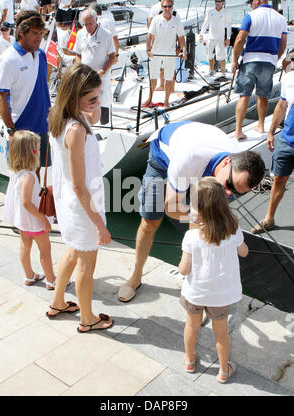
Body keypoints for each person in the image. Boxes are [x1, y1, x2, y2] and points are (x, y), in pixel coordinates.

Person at [117, 121, 265, 302]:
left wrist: (204, 220)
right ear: (227, 162)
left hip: (200, 158)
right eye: (230, 186)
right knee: (150, 222)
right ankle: (136, 276)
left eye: (236, 192)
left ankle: (197, 289)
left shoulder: (230, 169)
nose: (228, 194)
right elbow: (171, 207)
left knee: (201, 229)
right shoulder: (189, 159)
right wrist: (205, 218)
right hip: (164, 158)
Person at [46, 63, 113, 332]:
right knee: (87, 262)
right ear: (75, 97)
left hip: (71, 203)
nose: (97, 102)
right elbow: (79, 186)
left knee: (73, 252)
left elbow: (93, 118)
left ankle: (58, 301)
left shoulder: (61, 117)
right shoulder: (75, 130)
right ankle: (88, 319)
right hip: (82, 205)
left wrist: (94, 101)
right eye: (92, 98)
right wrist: (99, 224)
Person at [179, 177, 249, 382]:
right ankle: (224, 371)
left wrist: (181, 262)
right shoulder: (233, 229)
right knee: (221, 334)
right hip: (221, 296)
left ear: (200, 210)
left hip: (196, 293)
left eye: (192, 206)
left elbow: (184, 270)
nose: (190, 210)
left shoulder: (191, 237)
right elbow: (244, 252)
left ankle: (190, 361)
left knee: (191, 325)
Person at [0, 10, 51, 173]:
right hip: (20, 130)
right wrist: (12, 131)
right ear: (21, 33)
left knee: (37, 174)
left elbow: (42, 88)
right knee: (20, 179)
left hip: (41, 128)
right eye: (35, 33)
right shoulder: (8, 59)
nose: (39, 37)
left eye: (41, 33)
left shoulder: (41, 55)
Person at [3, 130, 56, 289]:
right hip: (34, 221)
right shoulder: (30, 176)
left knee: (25, 247)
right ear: (31, 152)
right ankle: (51, 280)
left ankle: (29, 276)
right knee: (45, 250)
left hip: (21, 220)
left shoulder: (15, 171)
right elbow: (27, 202)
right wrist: (43, 219)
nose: (40, 152)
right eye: (39, 149)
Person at [231, 0, 287, 140]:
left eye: (252, 2)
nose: (251, 5)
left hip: (250, 61)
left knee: (244, 95)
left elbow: (239, 40)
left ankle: (238, 130)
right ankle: (261, 125)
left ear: (258, 1)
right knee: (263, 96)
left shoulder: (251, 15)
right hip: (268, 62)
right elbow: (283, 44)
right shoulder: (281, 18)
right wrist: (275, 59)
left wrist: (234, 60)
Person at [251, 51, 294, 234]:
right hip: (287, 139)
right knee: (278, 179)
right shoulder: (289, 78)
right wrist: (271, 132)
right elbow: (282, 105)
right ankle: (269, 219)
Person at [74, 8, 117, 125]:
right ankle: (88, 128)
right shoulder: (80, 34)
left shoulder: (106, 35)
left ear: (96, 20)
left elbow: (113, 57)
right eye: (85, 24)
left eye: (90, 23)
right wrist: (80, 70)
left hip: (101, 77)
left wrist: (101, 72)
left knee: (103, 104)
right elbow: (78, 55)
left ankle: (105, 128)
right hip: (85, 78)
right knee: (85, 103)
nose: (87, 27)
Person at [144, 0, 186, 109]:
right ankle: (150, 99)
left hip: (170, 54)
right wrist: (148, 50)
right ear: (162, 7)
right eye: (165, 6)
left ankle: (166, 101)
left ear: (172, 7)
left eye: (169, 6)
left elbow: (181, 37)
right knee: (153, 78)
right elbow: (149, 36)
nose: (167, 8)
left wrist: (184, 50)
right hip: (156, 54)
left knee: (168, 79)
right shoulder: (156, 19)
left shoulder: (177, 19)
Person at [199, 0, 231, 76]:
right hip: (211, 37)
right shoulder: (210, 11)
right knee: (210, 55)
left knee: (221, 56)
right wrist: (201, 34)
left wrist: (228, 38)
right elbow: (205, 23)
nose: (217, 3)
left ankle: (223, 71)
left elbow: (228, 26)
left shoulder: (226, 13)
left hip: (220, 38)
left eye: (219, 1)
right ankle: (211, 70)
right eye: (216, 1)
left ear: (222, 2)